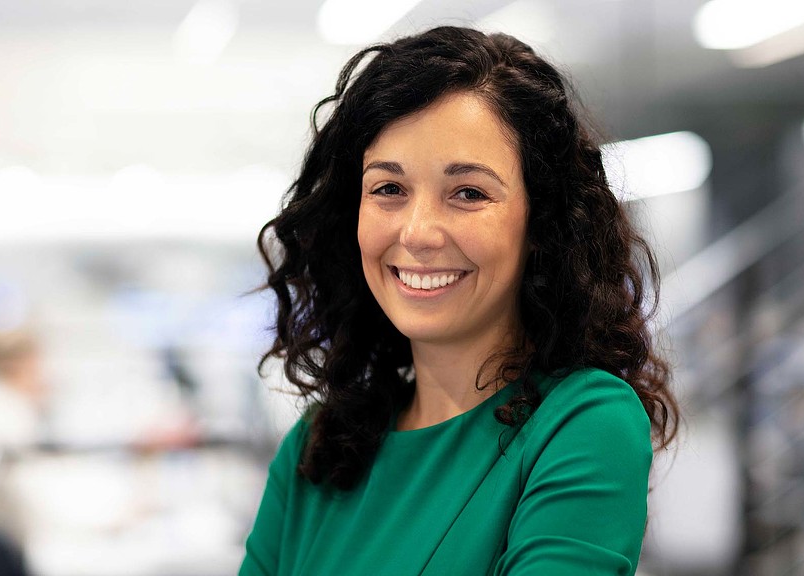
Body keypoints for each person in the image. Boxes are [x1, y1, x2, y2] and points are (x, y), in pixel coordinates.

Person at [239, 26, 679, 576]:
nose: (418, 232)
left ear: (540, 222)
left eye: (468, 193)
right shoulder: (320, 445)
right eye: (388, 189)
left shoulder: (583, 424)